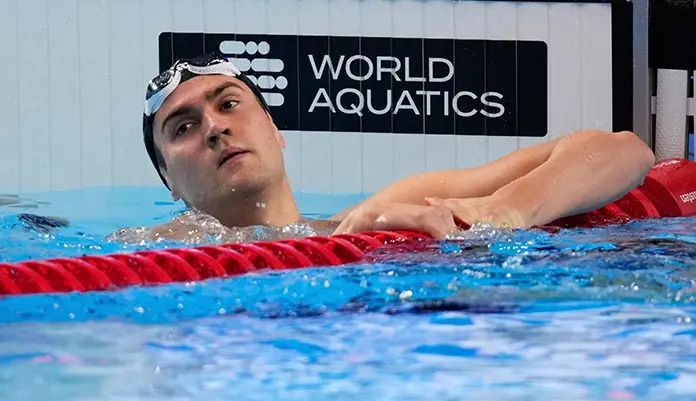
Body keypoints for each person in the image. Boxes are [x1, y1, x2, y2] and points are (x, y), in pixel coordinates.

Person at [110, 53, 655, 243]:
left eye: (229, 103)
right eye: (182, 128)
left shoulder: (379, 212)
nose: (214, 127)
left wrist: (502, 210)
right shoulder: (157, 246)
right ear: (168, 183)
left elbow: (623, 151)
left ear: (276, 130)